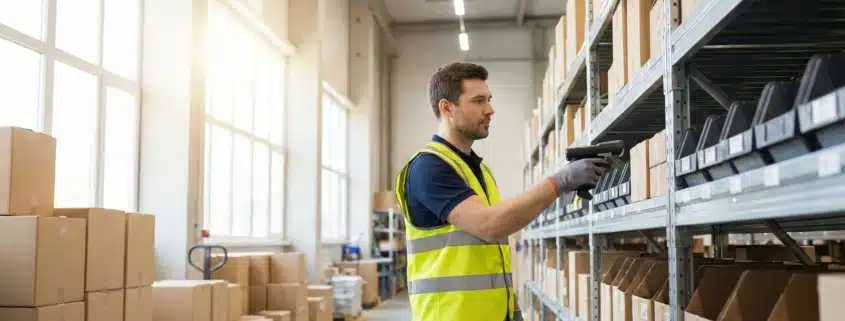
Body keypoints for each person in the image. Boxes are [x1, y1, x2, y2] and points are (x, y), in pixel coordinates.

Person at [394, 62, 607, 321]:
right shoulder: (429, 167)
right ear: (447, 108)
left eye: (489, 99)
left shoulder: (479, 171)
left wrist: (511, 312)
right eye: (478, 101)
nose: (490, 110)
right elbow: (491, 225)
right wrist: (558, 182)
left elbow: (493, 250)